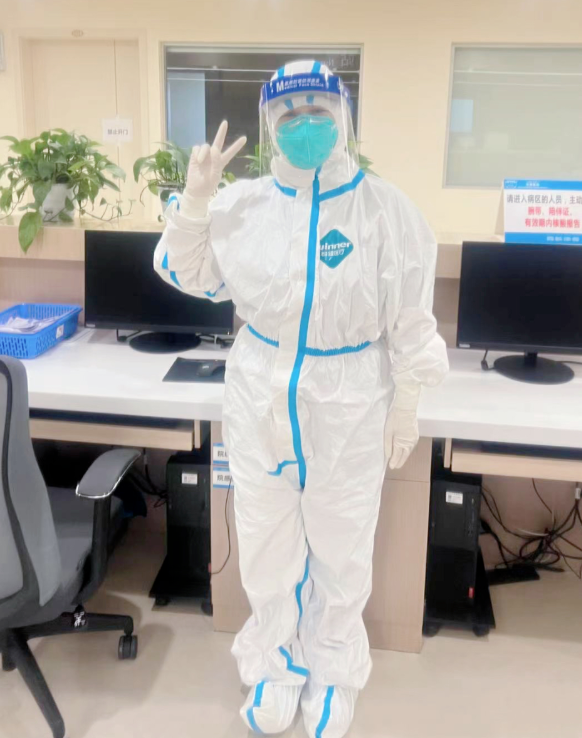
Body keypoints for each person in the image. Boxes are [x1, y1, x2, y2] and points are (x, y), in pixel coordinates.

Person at [154, 60, 448, 738]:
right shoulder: (244, 207)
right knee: (267, 547)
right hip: (259, 392)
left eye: (319, 108)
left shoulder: (386, 211)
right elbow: (185, 271)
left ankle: (334, 672)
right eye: (289, 113)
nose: (305, 123)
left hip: (351, 399)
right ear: (270, 124)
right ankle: (274, 667)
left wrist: (407, 401)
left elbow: (411, 321)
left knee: (342, 550)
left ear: (343, 116)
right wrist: (196, 201)